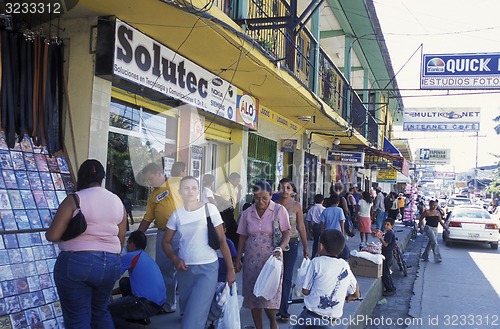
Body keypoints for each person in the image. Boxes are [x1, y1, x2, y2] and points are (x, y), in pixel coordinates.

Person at [46, 159, 127, 328]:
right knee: (101, 311)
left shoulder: (75, 200)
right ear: (102, 178)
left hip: (77, 263)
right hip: (110, 264)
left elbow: (52, 235)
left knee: (78, 317)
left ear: (80, 177)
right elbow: (120, 238)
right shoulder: (118, 202)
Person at [162, 176, 236, 329]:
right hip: (185, 271)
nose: (190, 191)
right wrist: (175, 259)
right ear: (180, 191)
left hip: (208, 269)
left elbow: (222, 240)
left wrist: (231, 270)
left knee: (192, 320)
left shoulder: (210, 209)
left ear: (198, 191)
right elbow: (165, 242)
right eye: (186, 188)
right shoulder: (176, 215)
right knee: (191, 312)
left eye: (194, 188)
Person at [235, 180, 291, 329]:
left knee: (269, 294)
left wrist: (280, 248)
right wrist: (238, 259)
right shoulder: (247, 212)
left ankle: (273, 323)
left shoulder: (279, 210)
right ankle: (258, 327)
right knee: (254, 295)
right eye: (257, 198)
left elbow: (287, 233)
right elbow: (242, 236)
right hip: (251, 260)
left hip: (272, 259)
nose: (261, 201)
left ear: (271, 195)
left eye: (265, 198)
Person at [292, 230, 360, 329]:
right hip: (330, 322)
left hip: (310, 317)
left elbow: (305, 291)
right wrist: (352, 296)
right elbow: (356, 292)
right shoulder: (344, 266)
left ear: (321, 246)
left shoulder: (316, 262)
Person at [137, 162, 178, 313]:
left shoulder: (175, 184)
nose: (148, 183)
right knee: (165, 270)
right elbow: (148, 218)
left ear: (158, 174)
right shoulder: (153, 195)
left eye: (150, 179)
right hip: (163, 234)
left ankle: (189, 308)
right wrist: (138, 234)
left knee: (186, 269)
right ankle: (168, 304)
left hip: (182, 233)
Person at [108, 231, 166, 327]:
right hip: (158, 303)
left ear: (132, 244)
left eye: (127, 243)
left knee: (107, 311)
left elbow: (110, 276)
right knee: (125, 282)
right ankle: (140, 318)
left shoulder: (130, 256)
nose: (126, 246)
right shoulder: (145, 256)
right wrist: (112, 292)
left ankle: (135, 326)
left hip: (144, 304)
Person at [276, 178, 310, 323]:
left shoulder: (296, 206)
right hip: (276, 245)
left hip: (293, 244)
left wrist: (306, 247)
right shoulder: (274, 205)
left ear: (292, 191)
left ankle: (283, 310)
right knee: (275, 276)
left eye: (288, 188)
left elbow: (301, 227)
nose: (285, 190)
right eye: (282, 187)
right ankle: (273, 305)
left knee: (287, 277)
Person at [216, 172, 243, 247]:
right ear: (231, 180)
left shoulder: (236, 188)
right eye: (237, 181)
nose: (238, 183)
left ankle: (233, 247)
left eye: (239, 181)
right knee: (226, 229)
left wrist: (240, 190)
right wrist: (225, 202)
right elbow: (216, 195)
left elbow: (237, 199)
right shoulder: (225, 186)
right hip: (224, 210)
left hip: (231, 210)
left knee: (234, 230)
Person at [319, 193, 348, 260]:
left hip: (327, 232)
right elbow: (341, 221)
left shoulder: (325, 210)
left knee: (328, 248)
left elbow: (322, 223)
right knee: (337, 248)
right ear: (338, 202)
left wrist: (321, 232)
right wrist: (342, 232)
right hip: (337, 233)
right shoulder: (340, 210)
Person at [375, 219, 397, 296]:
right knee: (387, 272)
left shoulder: (389, 234)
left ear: (392, 226)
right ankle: (392, 287)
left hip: (387, 255)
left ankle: (390, 289)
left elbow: (386, 244)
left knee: (385, 273)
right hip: (388, 254)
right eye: (385, 224)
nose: (385, 226)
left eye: (388, 224)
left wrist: (380, 238)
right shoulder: (389, 233)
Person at [305, 194, 325, 259]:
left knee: (315, 242)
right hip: (322, 226)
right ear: (322, 201)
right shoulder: (324, 209)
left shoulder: (311, 209)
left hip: (315, 226)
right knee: (323, 242)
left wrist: (310, 229)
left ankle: (314, 256)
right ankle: (322, 255)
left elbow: (308, 220)